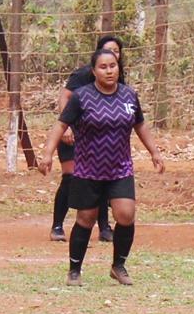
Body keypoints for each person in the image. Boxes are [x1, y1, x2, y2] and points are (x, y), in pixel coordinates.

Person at [38, 48, 164, 287]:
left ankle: (119, 266)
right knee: (86, 218)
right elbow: (60, 126)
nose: (109, 71)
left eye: (113, 66)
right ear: (94, 71)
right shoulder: (82, 97)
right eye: (103, 67)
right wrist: (47, 155)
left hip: (120, 169)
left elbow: (141, 125)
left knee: (126, 215)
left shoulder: (129, 95)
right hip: (88, 169)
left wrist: (155, 152)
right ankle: (74, 269)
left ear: (119, 68)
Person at [49, 35, 126, 243]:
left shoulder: (119, 79)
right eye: (109, 50)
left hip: (97, 142)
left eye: (117, 51)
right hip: (73, 135)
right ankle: (57, 225)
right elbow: (64, 96)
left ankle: (103, 227)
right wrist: (67, 127)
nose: (114, 54)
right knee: (70, 177)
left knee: (101, 179)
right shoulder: (84, 74)